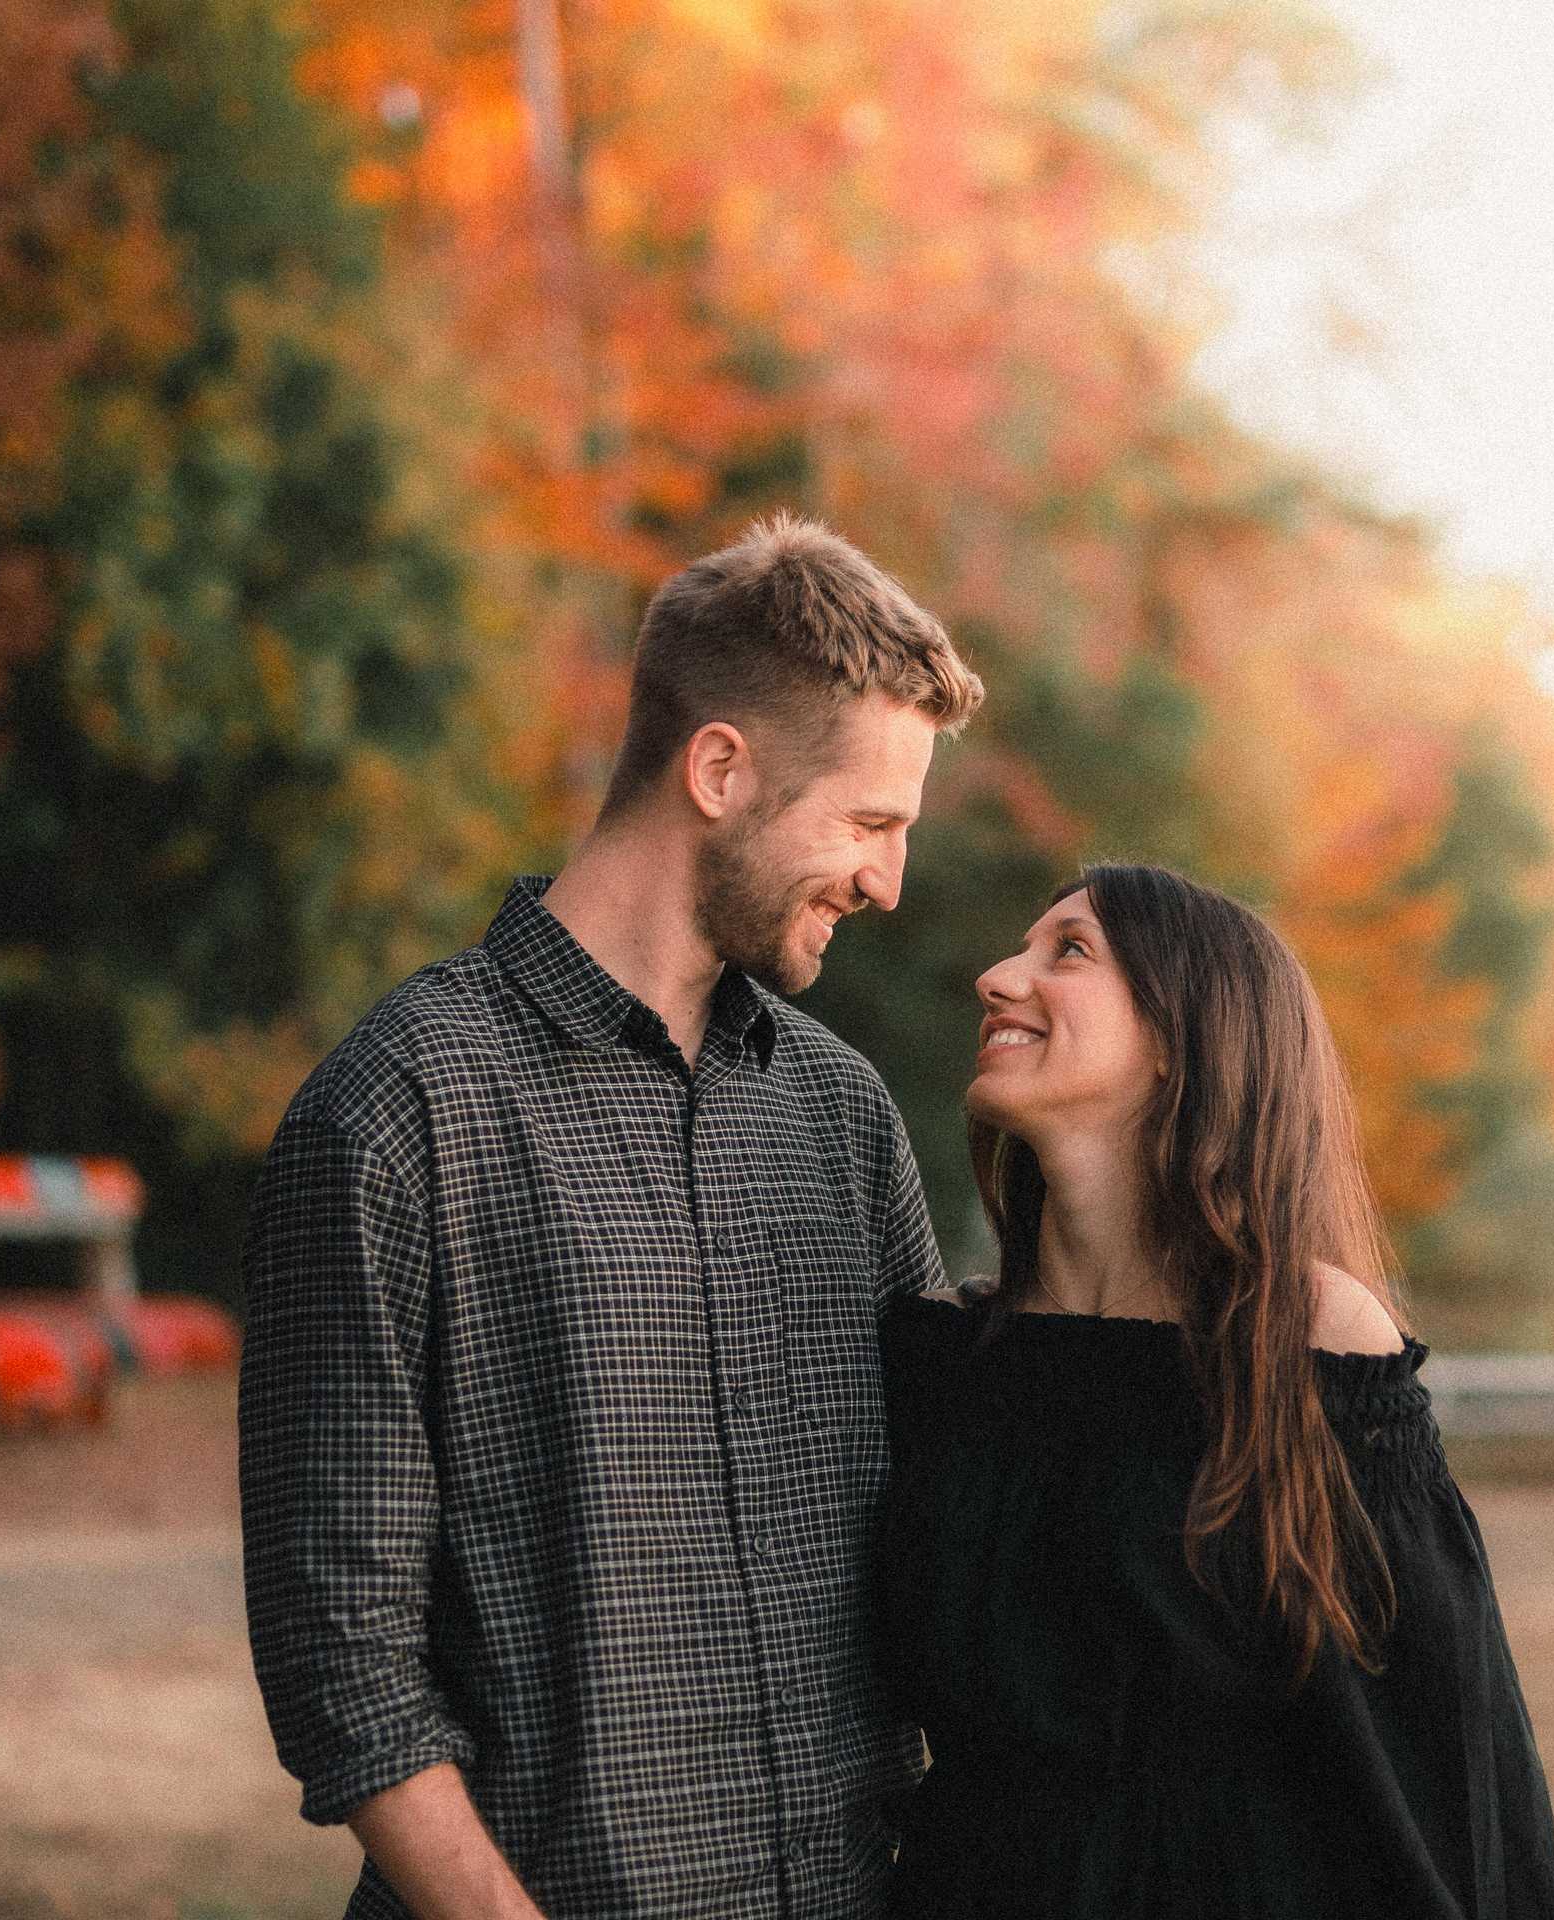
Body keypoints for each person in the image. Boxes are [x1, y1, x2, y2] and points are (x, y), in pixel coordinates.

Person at [239, 512, 983, 1920]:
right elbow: (346, 1671)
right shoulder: (395, 1116)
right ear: (720, 769)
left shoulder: (843, 1119)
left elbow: (946, 1552)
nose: (889, 883)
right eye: (872, 823)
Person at [874, 863, 1554, 1919]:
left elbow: (1444, 1756)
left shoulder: (1309, 1341)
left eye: (1068, 951)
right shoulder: (942, 1357)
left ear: (1176, 1037)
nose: (997, 978)